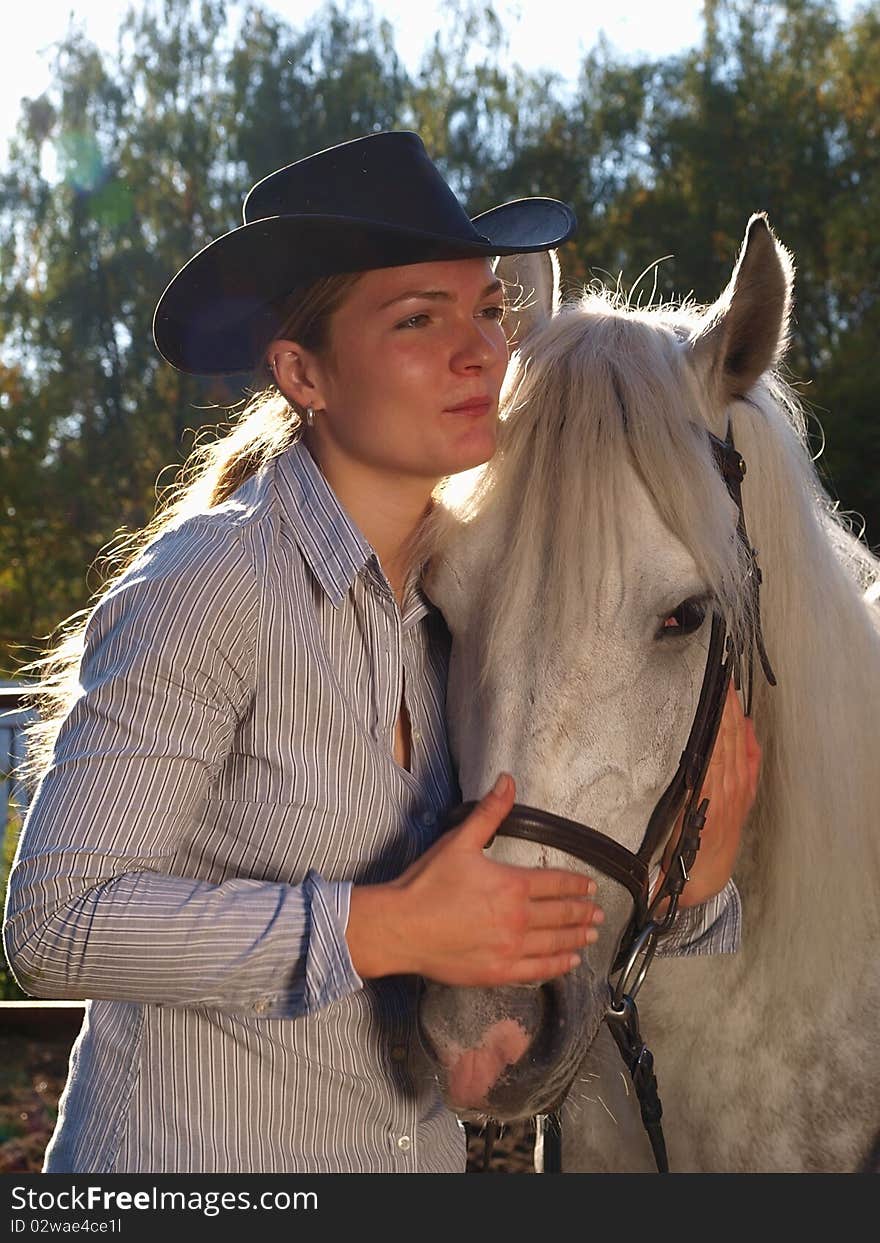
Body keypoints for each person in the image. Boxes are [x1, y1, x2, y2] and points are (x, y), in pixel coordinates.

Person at [2, 131, 760, 1174]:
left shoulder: (465, 610)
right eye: (418, 318)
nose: (481, 352)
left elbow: (508, 930)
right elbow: (54, 927)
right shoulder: (210, 585)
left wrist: (689, 892)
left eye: (488, 310)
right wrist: (385, 929)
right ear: (303, 372)